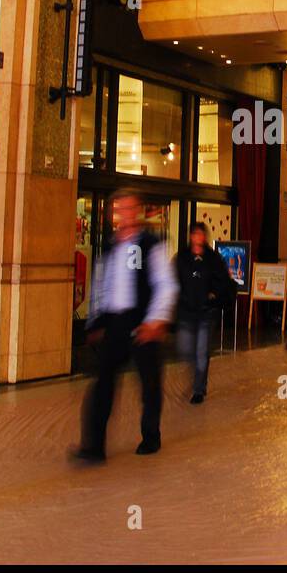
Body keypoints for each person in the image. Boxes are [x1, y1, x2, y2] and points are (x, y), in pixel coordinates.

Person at [77, 190, 178, 461]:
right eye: (119, 209)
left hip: (142, 321)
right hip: (116, 323)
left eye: (129, 208)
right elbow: (101, 284)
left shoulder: (150, 244)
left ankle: (150, 437)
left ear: (139, 211)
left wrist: (156, 320)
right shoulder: (110, 245)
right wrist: (96, 321)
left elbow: (165, 284)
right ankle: (93, 447)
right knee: (103, 383)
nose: (124, 213)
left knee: (149, 384)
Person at [173, 222, 233, 404]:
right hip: (186, 311)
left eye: (201, 234)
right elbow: (174, 279)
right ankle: (197, 374)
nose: (198, 238)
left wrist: (214, 294)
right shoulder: (182, 257)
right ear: (191, 236)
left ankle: (199, 388)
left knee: (201, 351)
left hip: (206, 312)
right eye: (195, 234)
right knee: (185, 348)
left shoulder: (213, 259)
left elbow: (223, 280)